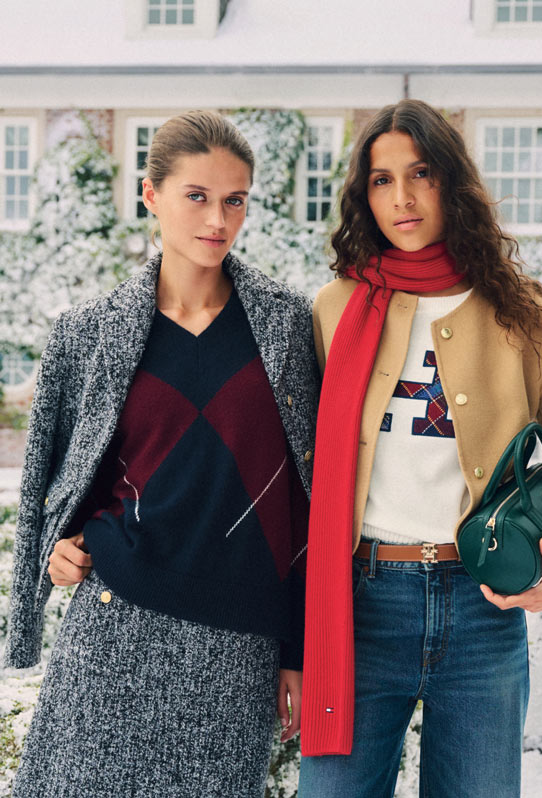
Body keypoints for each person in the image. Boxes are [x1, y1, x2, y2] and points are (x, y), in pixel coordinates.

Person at [5, 110, 319, 798]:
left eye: (235, 199)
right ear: (151, 195)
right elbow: (54, 486)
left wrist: (298, 651)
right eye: (197, 196)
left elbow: (304, 501)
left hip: (237, 645)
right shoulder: (87, 331)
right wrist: (57, 550)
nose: (218, 219)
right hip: (113, 623)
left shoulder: (289, 325)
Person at [299, 99, 542, 798]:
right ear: (361, 195)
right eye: (380, 180)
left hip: (482, 608)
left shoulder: (529, 319)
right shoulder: (334, 307)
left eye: (421, 173)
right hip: (361, 608)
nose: (401, 197)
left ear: (453, 183)